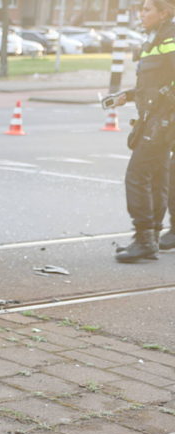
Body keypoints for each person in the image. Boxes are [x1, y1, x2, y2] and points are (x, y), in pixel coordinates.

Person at [115, 0, 175, 262]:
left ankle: (144, 238)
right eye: (140, 9)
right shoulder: (154, 38)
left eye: (147, 9)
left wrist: (167, 102)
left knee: (137, 175)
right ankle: (150, 238)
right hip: (153, 117)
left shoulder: (169, 36)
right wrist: (128, 94)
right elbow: (156, 80)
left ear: (163, 13)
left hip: (161, 119)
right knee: (157, 178)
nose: (141, 13)